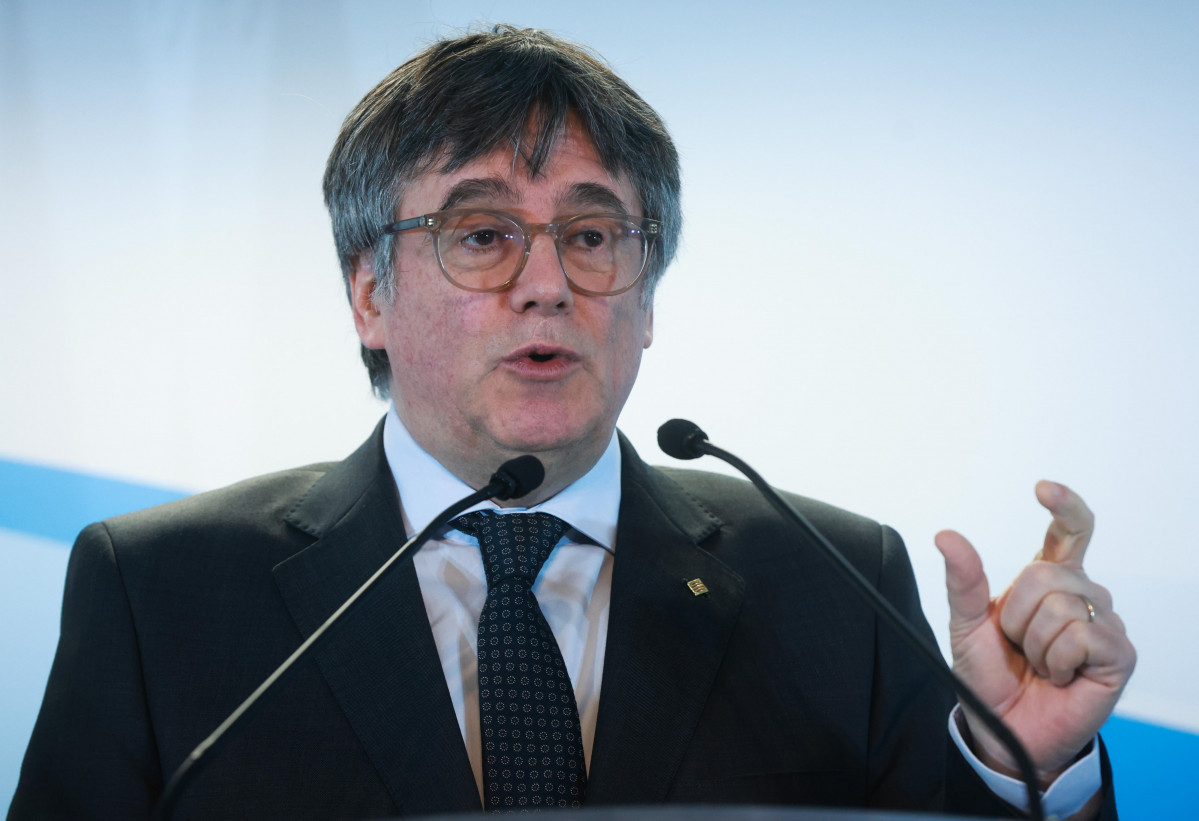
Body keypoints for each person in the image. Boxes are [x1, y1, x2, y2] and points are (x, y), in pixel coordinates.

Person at [9, 25, 1134, 820]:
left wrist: (1021, 770)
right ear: (368, 293)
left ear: (646, 299)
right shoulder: (162, 590)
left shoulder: (832, 576)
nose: (547, 283)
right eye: (483, 233)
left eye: (594, 237)